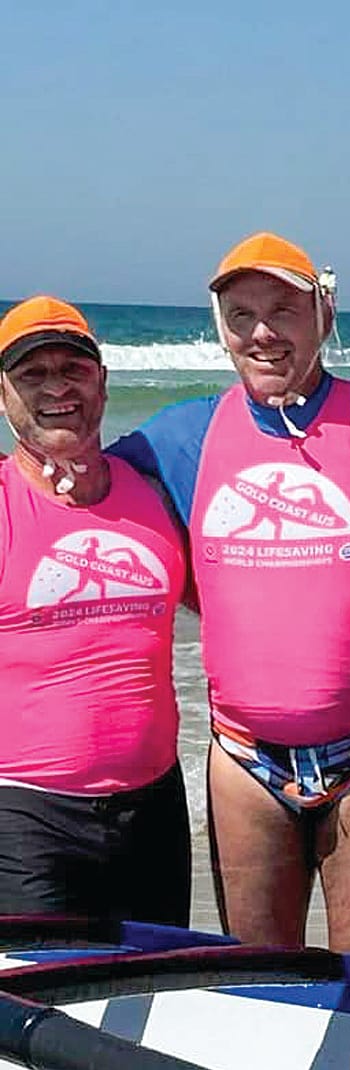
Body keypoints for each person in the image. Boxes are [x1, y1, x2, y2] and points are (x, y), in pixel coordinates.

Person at [111, 235, 350, 960]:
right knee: (256, 985)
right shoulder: (182, 435)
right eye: (242, 314)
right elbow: (86, 494)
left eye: (284, 309)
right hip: (245, 762)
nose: (263, 332)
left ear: (325, 313)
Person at [0, 297, 190, 927]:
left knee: (156, 1001)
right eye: (33, 374)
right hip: (26, 818)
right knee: (38, 1014)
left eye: (73, 369)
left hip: (155, 810)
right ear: (4, 395)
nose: (57, 388)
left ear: (101, 382)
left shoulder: (152, 486)